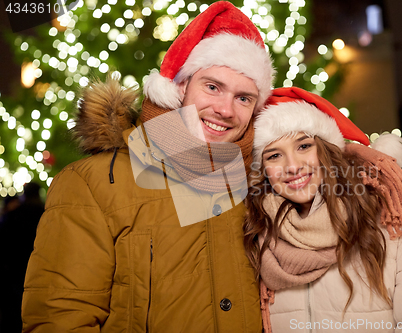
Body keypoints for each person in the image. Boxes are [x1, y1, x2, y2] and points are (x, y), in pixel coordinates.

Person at [22, 2, 274, 332]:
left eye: (244, 98)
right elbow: (61, 318)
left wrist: (359, 159)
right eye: (212, 87)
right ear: (180, 87)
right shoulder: (94, 183)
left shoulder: (262, 184)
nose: (226, 109)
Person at [244, 87, 402, 332]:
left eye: (304, 146)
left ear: (325, 150)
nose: (292, 166)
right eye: (274, 155)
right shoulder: (258, 236)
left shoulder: (387, 225)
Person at [0, 183, 44, 333]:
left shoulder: (14, 214)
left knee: (13, 311)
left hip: (15, 267)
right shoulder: (45, 214)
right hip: (39, 268)